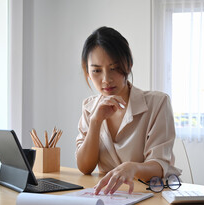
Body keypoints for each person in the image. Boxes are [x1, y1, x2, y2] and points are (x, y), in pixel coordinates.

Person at [76, 26, 180, 195]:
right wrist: (95, 122)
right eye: (96, 70)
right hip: (110, 197)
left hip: (150, 196)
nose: (106, 79)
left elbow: (160, 165)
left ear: (128, 65)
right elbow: (84, 167)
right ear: (87, 72)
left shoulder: (158, 103)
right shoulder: (89, 108)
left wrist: (132, 168)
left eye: (114, 68)